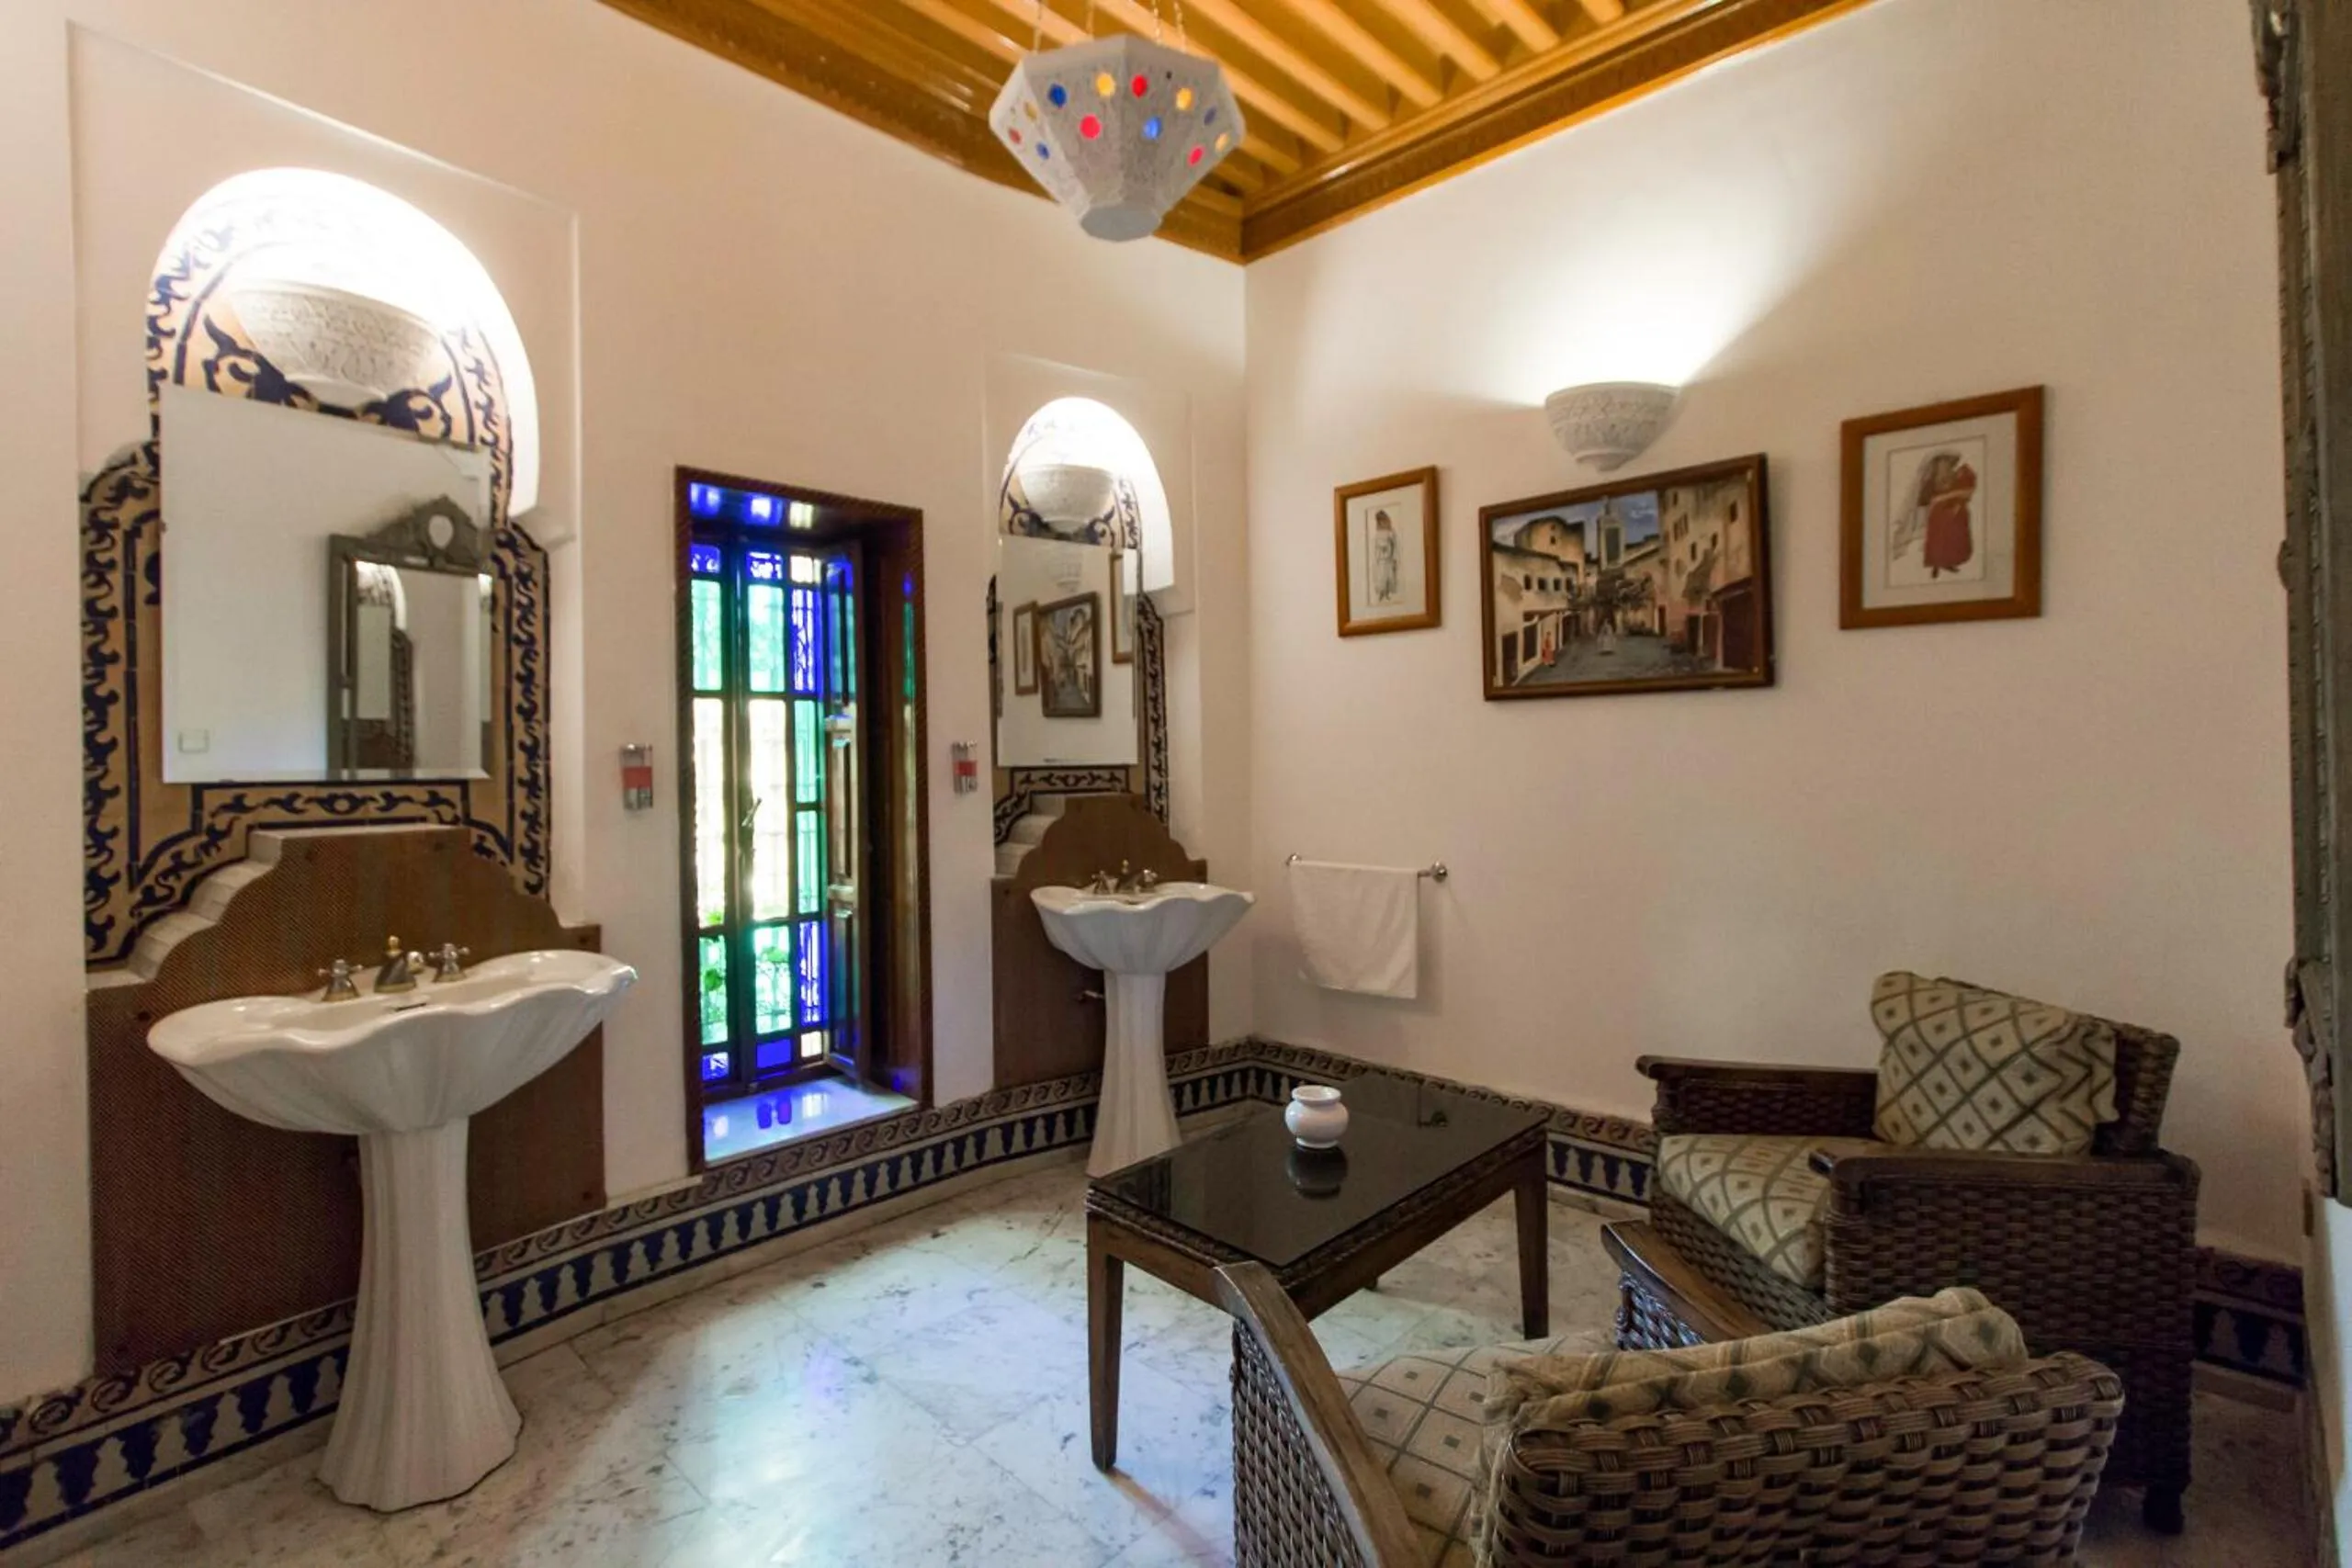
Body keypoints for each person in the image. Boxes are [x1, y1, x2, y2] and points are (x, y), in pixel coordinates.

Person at [1917, 450, 1979, 577]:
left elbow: (1967, 492)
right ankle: (1935, 564)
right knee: (1938, 539)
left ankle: (1948, 562)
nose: (1947, 465)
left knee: (1952, 539)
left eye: (1948, 462)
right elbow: (1925, 499)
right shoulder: (1932, 479)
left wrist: (1953, 500)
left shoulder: (1959, 474)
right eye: (1943, 462)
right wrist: (1938, 499)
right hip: (1939, 514)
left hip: (1955, 512)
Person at [1369, 508, 1399, 603]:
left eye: (1382, 520)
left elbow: (1395, 544)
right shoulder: (1377, 533)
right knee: (1381, 575)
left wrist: (1394, 557)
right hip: (1381, 558)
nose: (1381, 522)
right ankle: (1382, 593)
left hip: (1389, 558)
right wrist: (1379, 551)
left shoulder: (1391, 532)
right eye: (1379, 521)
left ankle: (1386, 593)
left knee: (1389, 575)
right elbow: (1375, 546)